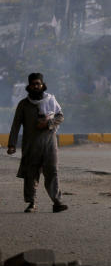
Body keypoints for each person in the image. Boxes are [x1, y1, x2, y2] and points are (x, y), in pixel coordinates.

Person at [6, 73, 68, 212]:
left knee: (52, 171)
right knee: (31, 174)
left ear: (42, 85)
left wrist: (48, 123)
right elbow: (16, 125)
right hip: (31, 144)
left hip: (49, 143)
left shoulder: (51, 100)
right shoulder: (24, 104)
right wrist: (11, 144)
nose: (36, 86)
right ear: (29, 86)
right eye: (33, 84)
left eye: (38, 84)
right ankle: (31, 203)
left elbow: (60, 116)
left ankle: (57, 202)